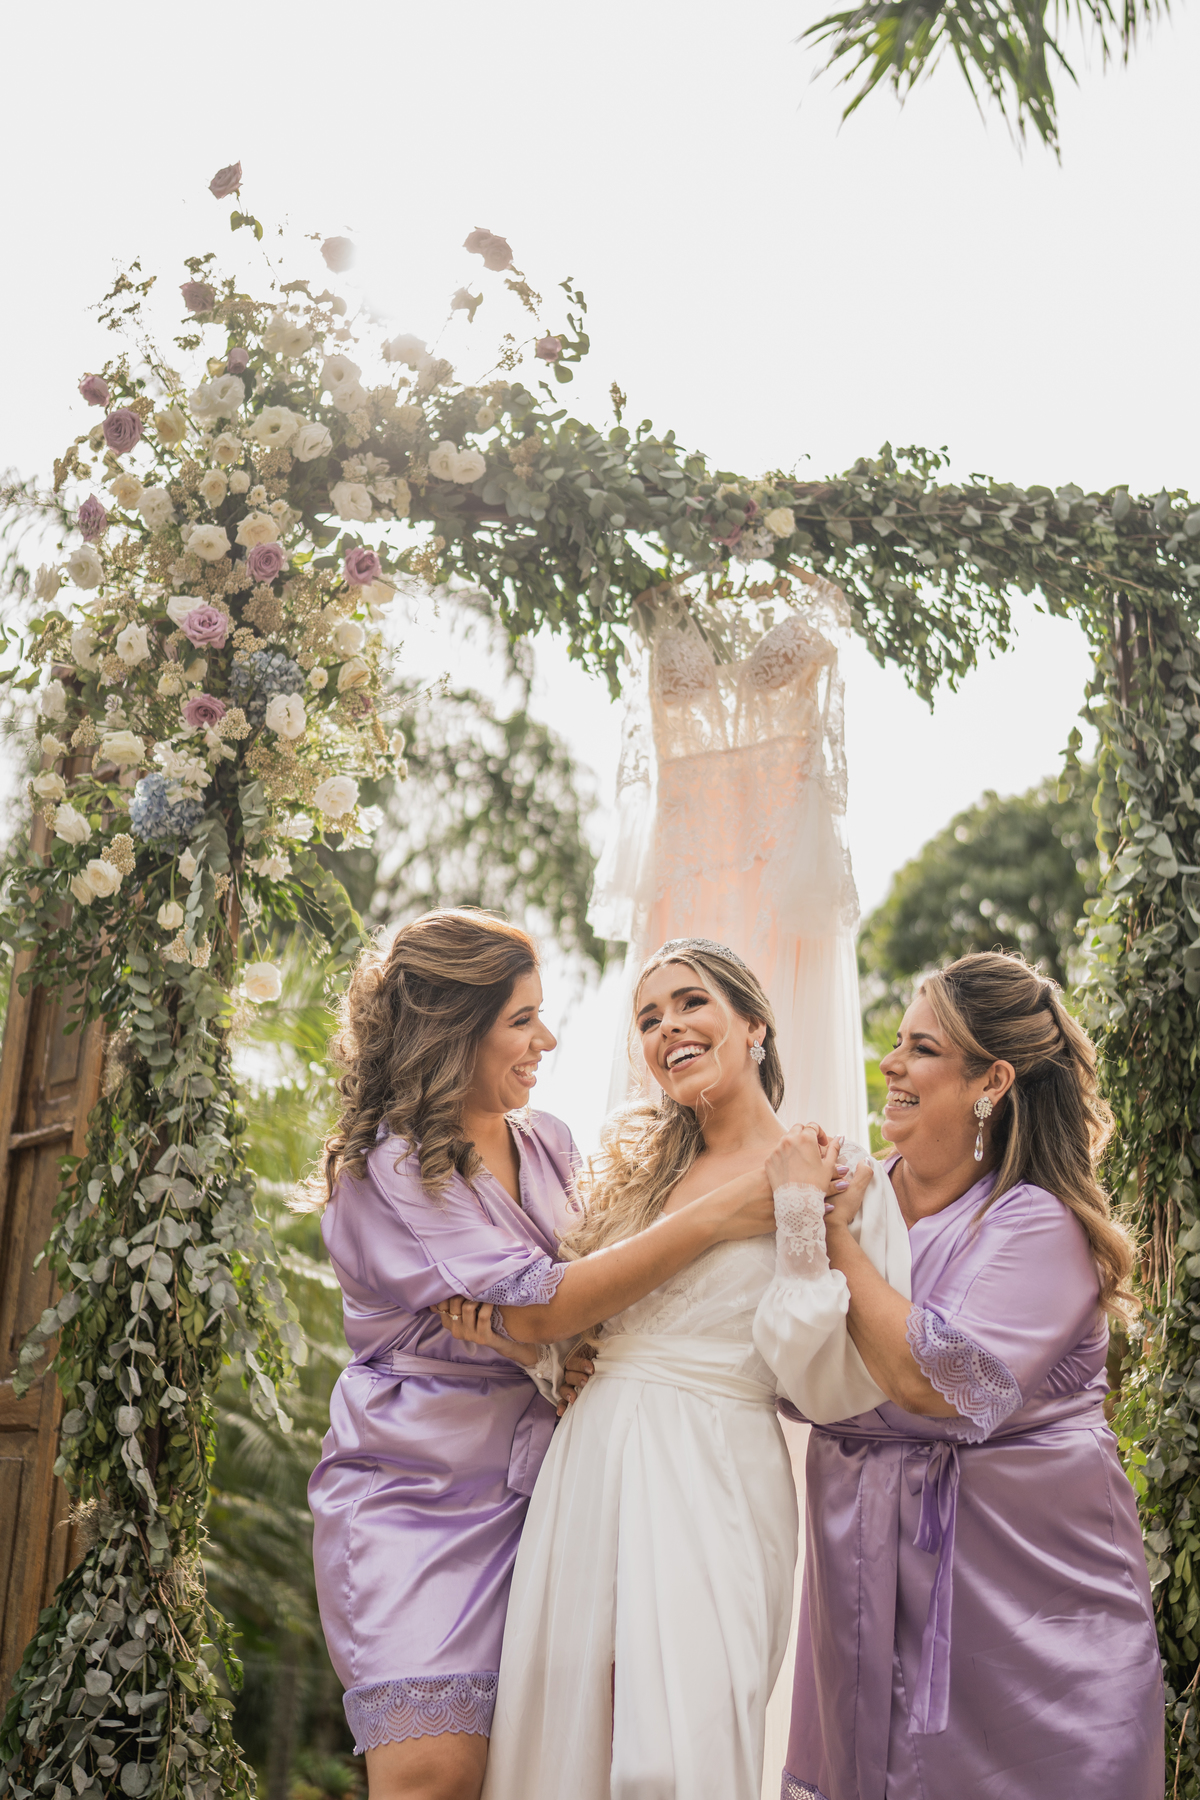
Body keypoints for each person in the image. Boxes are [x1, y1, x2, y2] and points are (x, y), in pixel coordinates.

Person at [305, 911, 778, 1800]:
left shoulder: (550, 1143)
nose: (546, 1041)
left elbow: (580, 1303)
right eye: (523, 1020)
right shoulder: (389, 1169)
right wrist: (720, 1214)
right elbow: (545, 1298)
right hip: (418, 1493)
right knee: (433, 1774)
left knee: (544, 1768)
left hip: (550, 1495)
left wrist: (567, 1356)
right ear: (455, 1032)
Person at [767, 951, 1163, 1800]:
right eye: (898, 1043)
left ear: (992, 1082)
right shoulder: (856, 1188)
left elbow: (935, 1384)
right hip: (863, 1596)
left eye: (922, 1048)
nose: (891, 1063)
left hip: (1031, 1628)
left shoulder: (1039, 1225)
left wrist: (829, 1238)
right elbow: (769, 1346)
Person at [467, 937, 851, 1800]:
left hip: (718, 1468)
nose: (667, 1027)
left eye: (691, 1002)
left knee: (672, 1760)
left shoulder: (831, 1167)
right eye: (649, 1018)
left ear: (754, 1025)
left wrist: (798, 1208)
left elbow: (819, 1381)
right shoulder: (626, 1182)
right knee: (574, 1741)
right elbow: (576, 1324)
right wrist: (541, 1356)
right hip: (593, 1463)